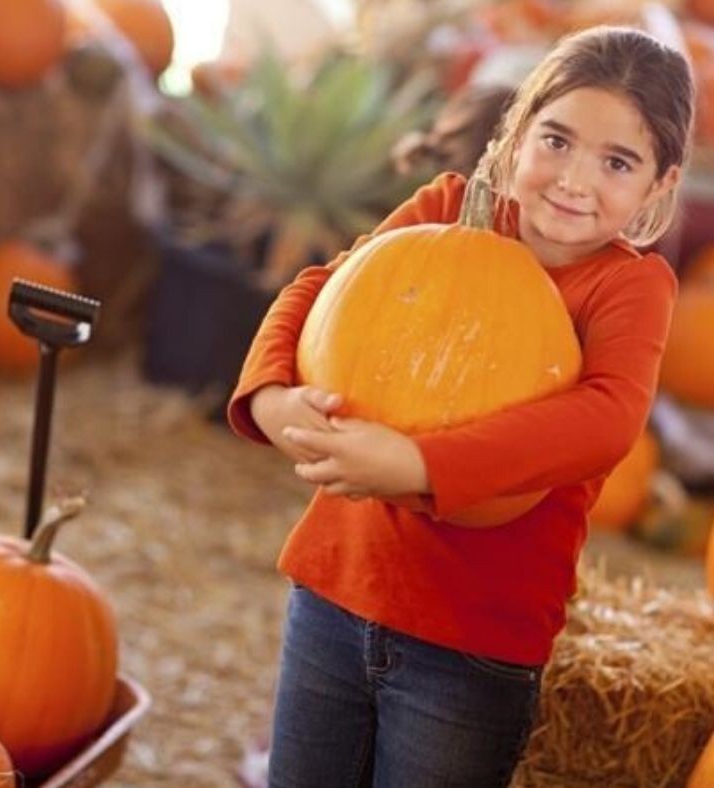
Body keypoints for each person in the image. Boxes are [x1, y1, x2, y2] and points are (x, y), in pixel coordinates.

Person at [226, 25, 694, 788]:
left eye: (617, 162)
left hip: (473, 648)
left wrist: (417, 462)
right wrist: (273, 396)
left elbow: (607, 417)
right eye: (557, 140)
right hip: (336, 592)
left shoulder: (628, 288)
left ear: (658, 187)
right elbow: (318, 291)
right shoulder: (445, 209)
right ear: (516, 136)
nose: (575, 179)